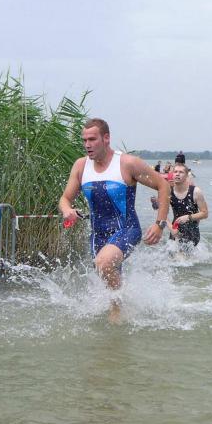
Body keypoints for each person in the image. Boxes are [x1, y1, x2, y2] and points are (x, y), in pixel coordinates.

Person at [59, 118, 170, 310]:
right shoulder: (81, 166)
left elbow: (163, 185)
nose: (87, 145)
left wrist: (159, 224)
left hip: (127, 229)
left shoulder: (127, 163)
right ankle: (121, 312)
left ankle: (120, 309)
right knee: (106, 271)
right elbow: (65, 198)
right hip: (98, 234)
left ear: (106, 138)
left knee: (104, 263)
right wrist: (67, 210)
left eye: (92, 139)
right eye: (84, 140)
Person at [168, 163, 208, 247]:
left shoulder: (196, 192)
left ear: (186, 176)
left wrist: (188, 217)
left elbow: (205, 213)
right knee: (172, 254)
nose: (177, 174)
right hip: (175, 230)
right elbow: (162, 213)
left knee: (182, 254)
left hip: (192, 232)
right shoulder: (168, 192)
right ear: (172, 174)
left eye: (181, 172)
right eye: (175, 172)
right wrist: (171, 229)